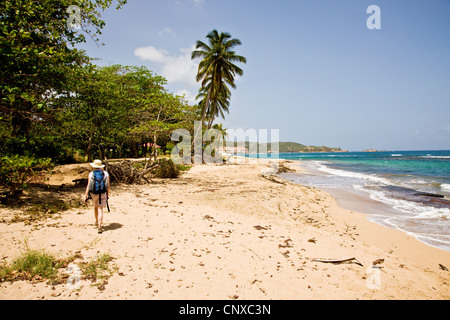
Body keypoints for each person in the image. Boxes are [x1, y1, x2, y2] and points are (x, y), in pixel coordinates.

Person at [84, 159, 110, 234]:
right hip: (102, 193)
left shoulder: (91, 174)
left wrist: (85, 196)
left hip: (94, 193)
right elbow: (108, 185)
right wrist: (107, 194)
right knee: (100, 209)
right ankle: (99, 226)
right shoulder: (105, 173)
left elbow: (88, 185)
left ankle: (96, 221)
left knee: (95, 207)